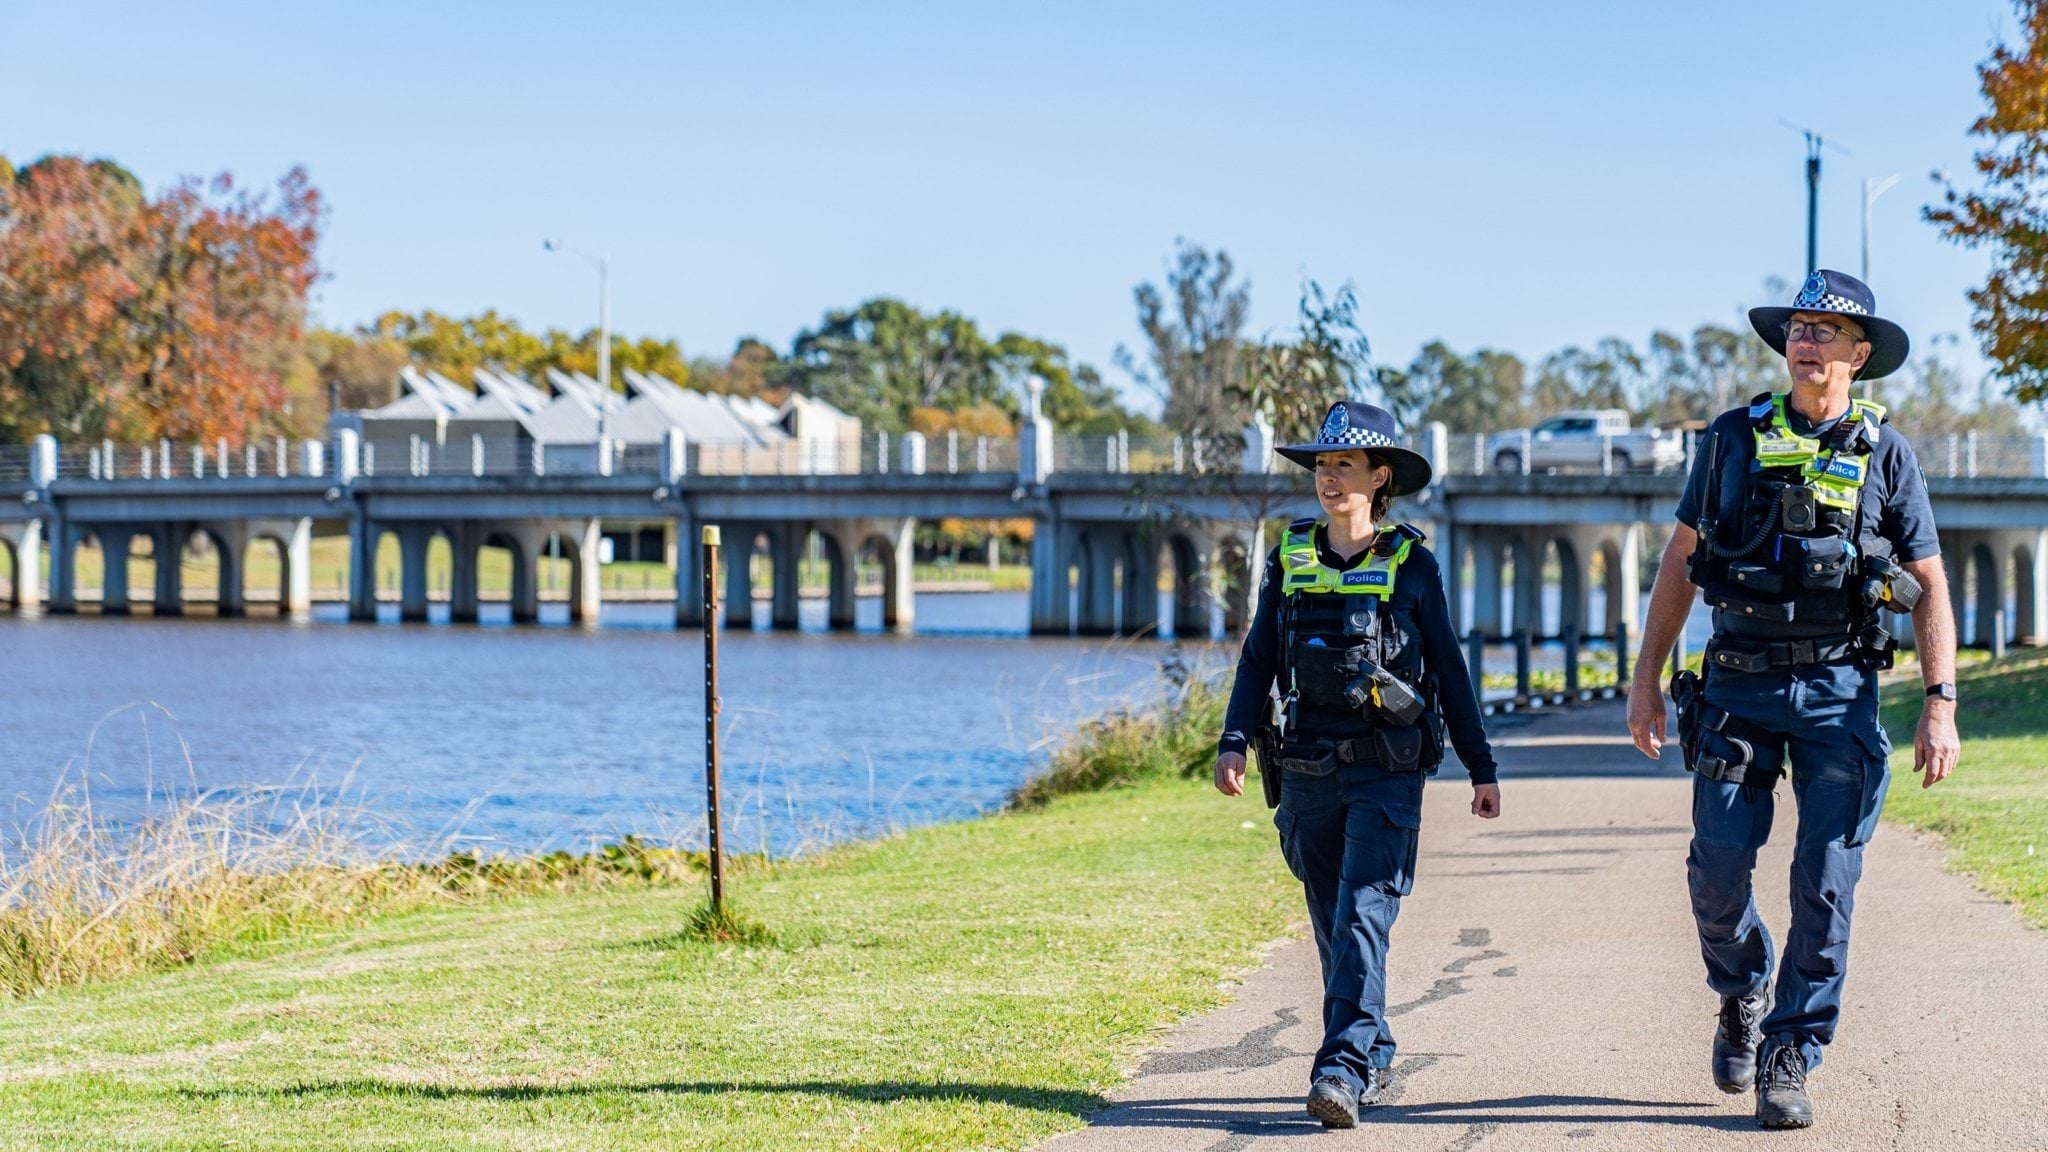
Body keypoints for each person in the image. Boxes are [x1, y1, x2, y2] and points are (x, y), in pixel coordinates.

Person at [1626, 269, 1961, 1130]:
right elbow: (1679, 559)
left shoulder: (1888, 455)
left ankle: (1790, 1052)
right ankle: (1743, 987)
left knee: (1826, 881)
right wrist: (1646, 677)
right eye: (1798, 328)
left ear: (1859, 355)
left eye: (1826, 331)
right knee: (1717, 870)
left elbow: (1928, 581)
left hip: (1838, 691)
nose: (1806, 341)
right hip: (1737, 683)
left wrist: (1941, 701)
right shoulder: (1733, 439)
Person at [1213, 399, 1500, 1130]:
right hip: (1306, 770)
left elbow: (1449, 669)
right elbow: (1257, 662)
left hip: (1387, 772)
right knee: (1332, 925)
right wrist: (1235, 739)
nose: (1328, 477)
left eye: (1344, 465)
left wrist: (1481, 765)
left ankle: (1339, 1069)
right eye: (1321, 465)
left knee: (1362, 917)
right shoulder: (1292, 556)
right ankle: (1369, 1045)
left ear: (1380, 477)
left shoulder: (1413, 564)